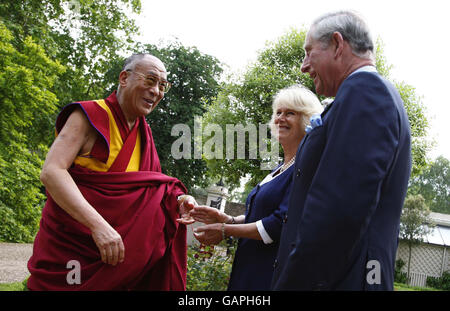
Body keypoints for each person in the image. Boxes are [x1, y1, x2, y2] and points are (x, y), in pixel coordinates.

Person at [27, 54, 196, 290]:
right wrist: (98, 226)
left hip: (116, 262)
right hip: (71, 249)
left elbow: (154, 191)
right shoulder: (88, 115)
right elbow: (53, 171)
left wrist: (180, 200)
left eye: (162, 85)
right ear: (124, 78)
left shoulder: (143, 135)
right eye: (150, 80)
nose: (156, 91)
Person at [271, 11, 412, 290]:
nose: (303, 65)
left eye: (309, 52)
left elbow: (337, 210)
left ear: (337, 44)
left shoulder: (365, 90)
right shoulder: (361, 94)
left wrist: (294, 283)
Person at [186, 85, 323, 290]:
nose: (280, 118)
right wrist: (229, 219)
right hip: (248, 267)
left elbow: (278, 224)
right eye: (278, 112)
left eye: (290, 113)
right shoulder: (279, 169)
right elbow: (262, 213)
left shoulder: (305, 168)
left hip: (270, 273)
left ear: (306, 119)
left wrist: (225, 230)